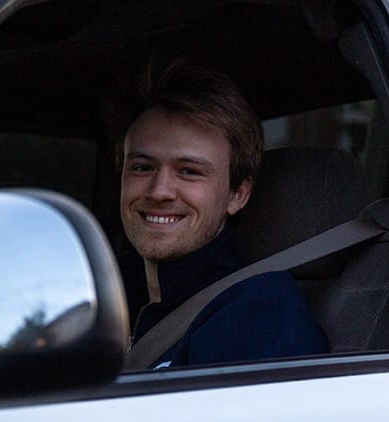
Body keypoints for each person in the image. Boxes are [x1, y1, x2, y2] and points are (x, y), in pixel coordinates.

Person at [117, 60, 329, 369]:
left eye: (189, 171)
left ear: (237, 195)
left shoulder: (260, 314)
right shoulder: (104, 300)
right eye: (142, 167)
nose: (159, 191)